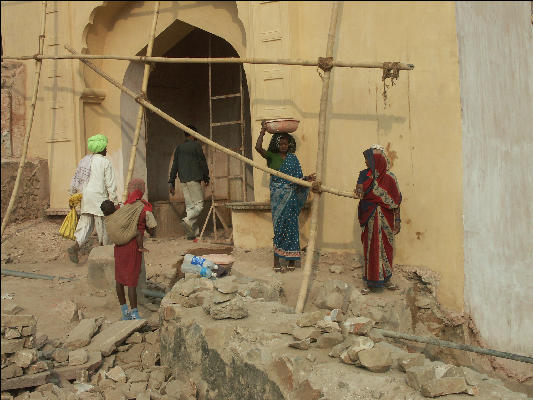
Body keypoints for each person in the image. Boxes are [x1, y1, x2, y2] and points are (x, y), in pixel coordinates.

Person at [255, 122, 316, 272]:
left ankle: (291, 261)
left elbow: (297, 179)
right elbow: (258, 148)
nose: (283, 146)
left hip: (290, 198)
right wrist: (263, 131)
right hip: (277, 197)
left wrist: (307, 178)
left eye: (286, 143)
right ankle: (276, 261)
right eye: (281, 143)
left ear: (290, 144)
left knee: (291, 228)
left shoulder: (293, 159)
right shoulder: (272, 156)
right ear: (277, 144)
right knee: (279, 228)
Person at [101, 178, 157, 320]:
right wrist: (150, 233)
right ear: (141, 190)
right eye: (143, 187)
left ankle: (124, 311)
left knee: (119, 279)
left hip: (119, 248)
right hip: (132, 248)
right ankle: (135, 314)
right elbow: (152, 227)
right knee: (132, 281)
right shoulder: (143, 207)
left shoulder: (122, 208)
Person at [354, 145, 402, 294]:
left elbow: (396, 200)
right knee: (371, 249)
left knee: (386, 248)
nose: (366, 163)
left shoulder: (390, 178)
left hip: (386, 219)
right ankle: (370, 282)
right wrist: (359, 190)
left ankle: (386, 279)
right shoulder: (364, 174)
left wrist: (398, 220)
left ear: (376, 161)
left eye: (368, 160)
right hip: (369, 217)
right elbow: (359, 189)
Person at [68, 134, 118, 264]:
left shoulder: (85, 161)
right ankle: (103, 254)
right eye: (105, 147)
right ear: (101, 148)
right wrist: (114, 202)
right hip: (100, 199)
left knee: (85, 224)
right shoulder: (105, 162)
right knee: (102, 227)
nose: (106, 150)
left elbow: (76, 179)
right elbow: (110, 185)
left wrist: (72, 195)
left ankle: (75, 246)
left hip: (86, 198)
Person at [168, 125, 210, 240]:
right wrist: (206, 177)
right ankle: (187, 220)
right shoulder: (196, 146)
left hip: (183, 181)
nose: (196, 136)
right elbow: (202, 162)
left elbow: (174, 166)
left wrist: (171, 182)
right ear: (191, 134)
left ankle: (192, 234)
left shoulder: (179, 148)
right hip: (193, 179)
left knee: (190, 207)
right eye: (195, 134)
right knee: (199, 205)